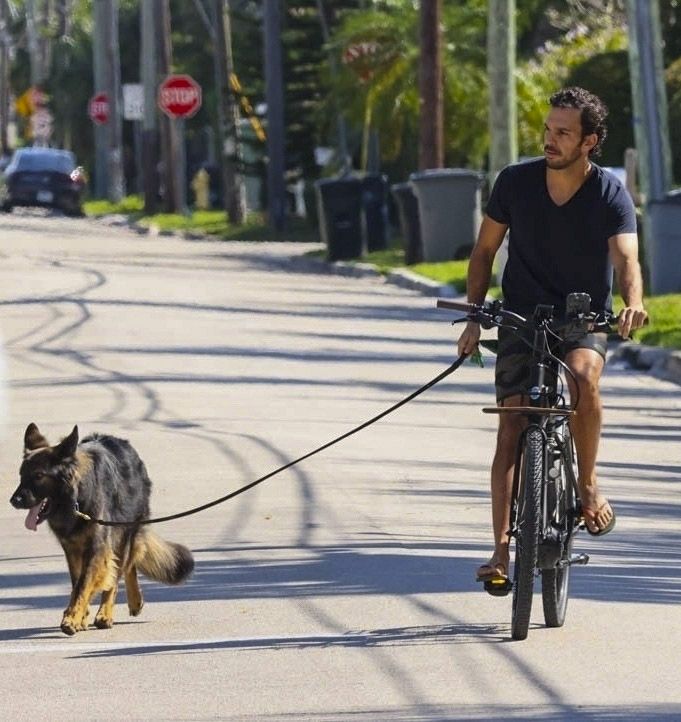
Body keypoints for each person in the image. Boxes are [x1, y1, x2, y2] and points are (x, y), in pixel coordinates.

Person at [457, 86, 648, 584]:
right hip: (522, 316)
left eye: (563, 132)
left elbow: (626, 258)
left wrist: (634, 304)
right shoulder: (515, 183)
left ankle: (586, 485)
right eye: (548, 129)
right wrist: (476, 317)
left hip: (583, 320)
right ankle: (500, 552)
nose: (550, 140)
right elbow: (483, 253)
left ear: (590, 141)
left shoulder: (609, 192)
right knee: (511, 425)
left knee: (584, 379)